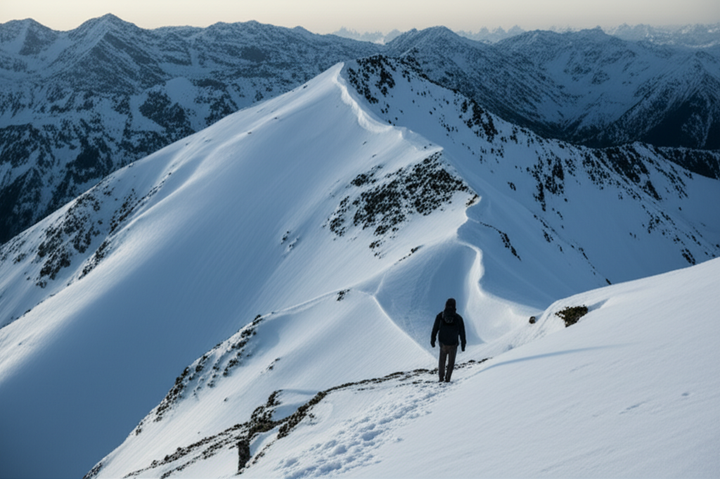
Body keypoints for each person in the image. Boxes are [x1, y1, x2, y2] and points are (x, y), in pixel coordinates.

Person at [431, 298, 466, 382]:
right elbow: (462, 332)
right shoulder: (458, 318)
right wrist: (463, 344)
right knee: (451, 363)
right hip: (453, 344)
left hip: (443, 343)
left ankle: (441, 378)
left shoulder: (440, 316)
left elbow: (435, 328)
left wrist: (433, 339)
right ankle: (448, 378)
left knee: (442, 361)